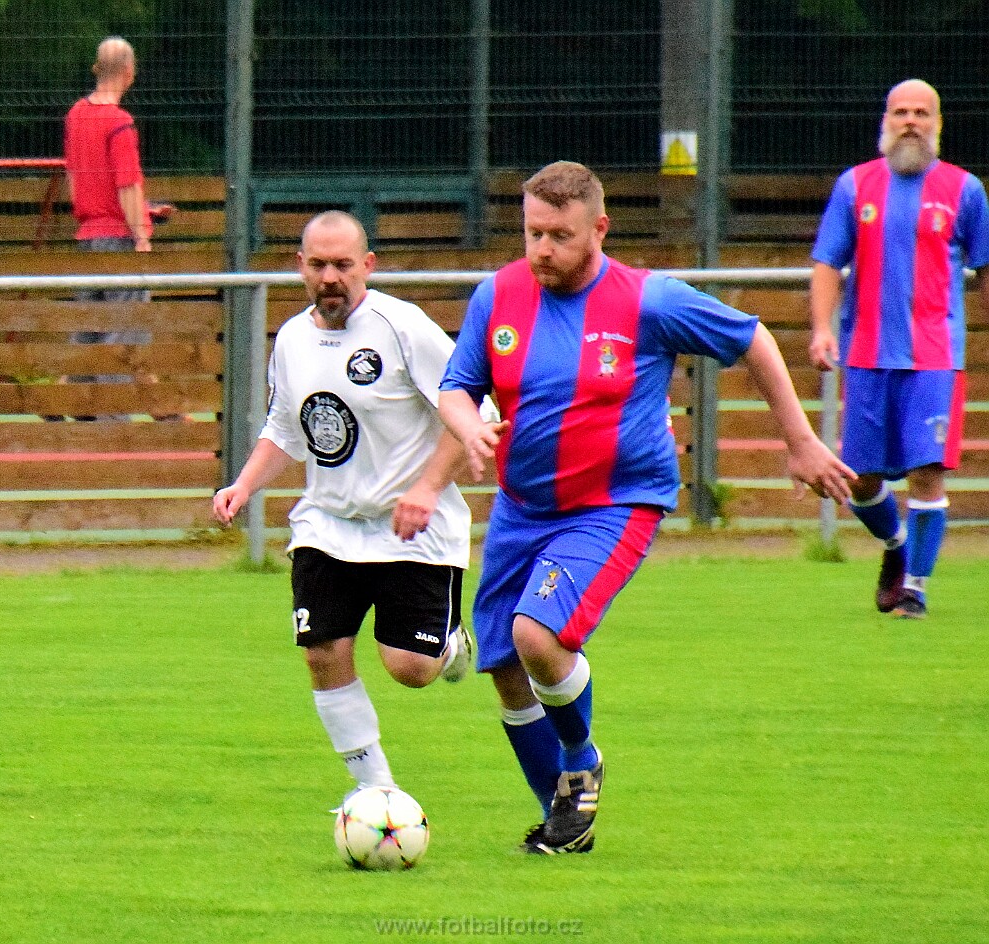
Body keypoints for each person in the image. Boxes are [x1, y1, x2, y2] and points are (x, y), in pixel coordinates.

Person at [438, 160, 856, 855]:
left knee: (538, 637)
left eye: (560, 235)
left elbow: (751, 338)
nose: (542, 249)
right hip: (521, 506)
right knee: (506, 666)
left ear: (599, 229)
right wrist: (467, 425)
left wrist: (801, 440)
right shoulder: (498, 295)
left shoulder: (648, 301)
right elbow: (458, 386)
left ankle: (582, 760)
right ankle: (564, 824)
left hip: (614, 505)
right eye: (533, 233)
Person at [213, 210, 476, 801]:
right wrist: (244, 486)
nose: (330, 277)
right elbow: (285, 428)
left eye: (343, 264)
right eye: (318, 264)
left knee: (410, 668)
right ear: (299, 267)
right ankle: (375, 792)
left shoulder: (402, 327)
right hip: (327, 524)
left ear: (368, 266)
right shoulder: (292, 338)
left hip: (411, 528)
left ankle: (449, 641)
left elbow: (471, 413)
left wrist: (426, 488)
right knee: (323, 652)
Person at [810, 79, 989, 619]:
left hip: (935, 356)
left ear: (938, 124)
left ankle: (915, 588)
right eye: (901, 112)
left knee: (926, 471)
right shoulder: (854, 186)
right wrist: (821, 329)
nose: (911, 121)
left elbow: (983, 268)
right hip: (866, 354)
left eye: (921, 113)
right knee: (860, 480)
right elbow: (828, 263)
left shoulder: (965, 190)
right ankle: (896, 545)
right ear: (885, 121)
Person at [60, 36, 176, 421]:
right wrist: (141, 232)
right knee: (123, 330)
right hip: (118, 241)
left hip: (87, 237)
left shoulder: (76, 115)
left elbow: (77, 178)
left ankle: (63, 401)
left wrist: (125, 210)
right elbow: (127, 183)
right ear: (129, 72)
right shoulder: (119, 122)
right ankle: (113, 422)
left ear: (97, 69)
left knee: (89, 329)